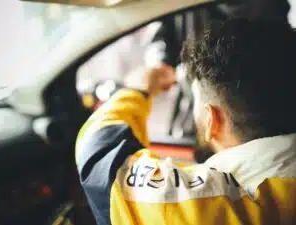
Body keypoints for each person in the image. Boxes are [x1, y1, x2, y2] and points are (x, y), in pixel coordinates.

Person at [75, 19, 296, 225]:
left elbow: (99, 153)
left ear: (212, 120)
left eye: (196, 104)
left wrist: (136, 90)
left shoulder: (216, 208)